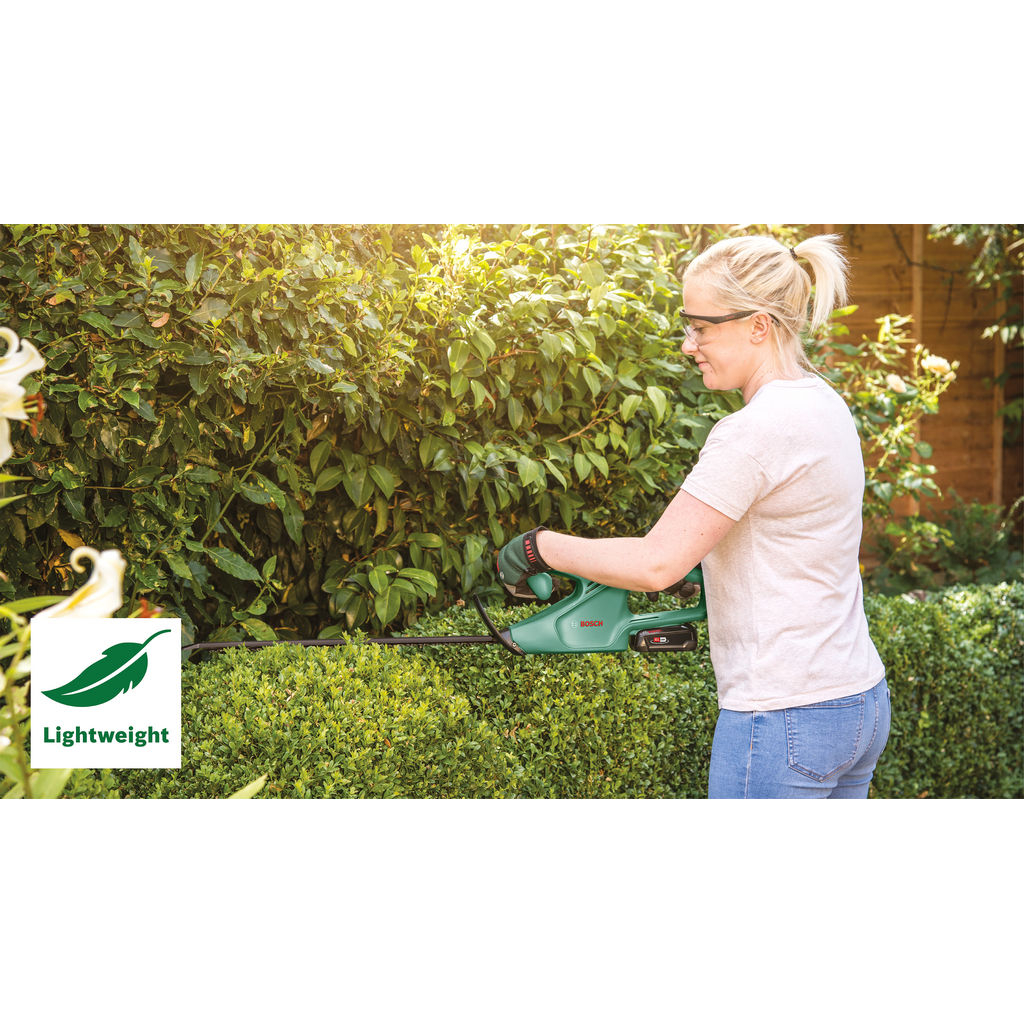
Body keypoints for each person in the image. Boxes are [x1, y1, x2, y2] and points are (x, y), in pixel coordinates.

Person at [496, 233, 890, 799]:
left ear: (758, 325)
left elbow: (657, 564)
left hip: (782, 716)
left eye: (702, 327)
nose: (688, 344)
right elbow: (790, 544)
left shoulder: (753, 431)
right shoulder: (823, 402)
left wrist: (539, 547)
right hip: (857, 701)